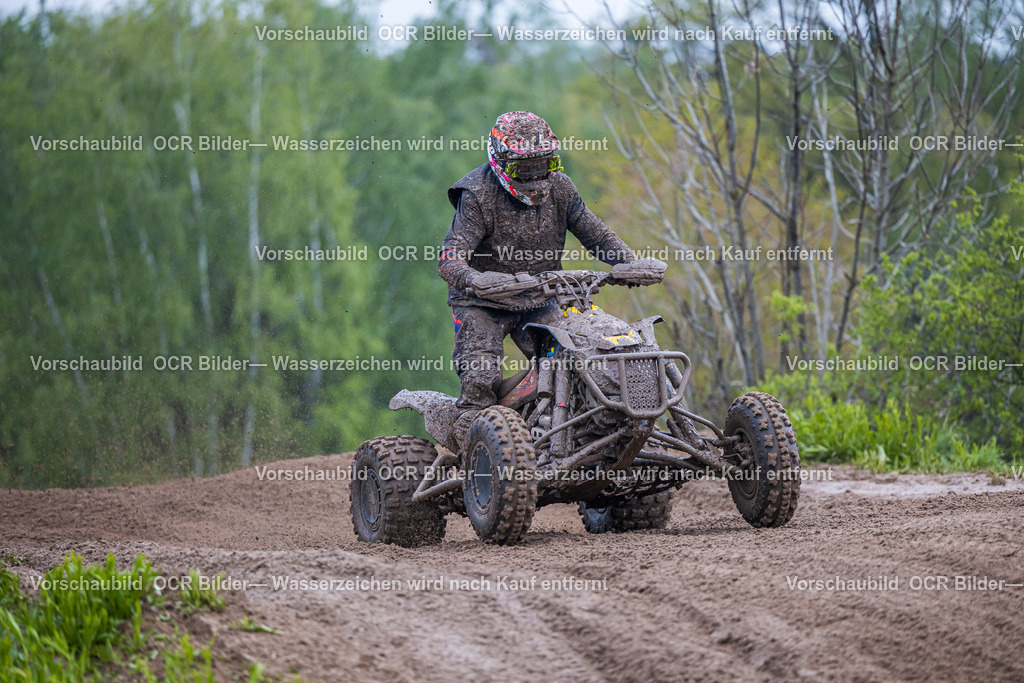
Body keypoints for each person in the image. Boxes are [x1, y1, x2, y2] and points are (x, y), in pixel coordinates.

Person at [437, 111, 655, 447]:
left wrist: (628, 263)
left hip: (539, 296)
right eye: (525, 169)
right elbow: (449, 257)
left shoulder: (562, 189)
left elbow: (595, 234)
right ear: (501, 163)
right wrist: (475, 280)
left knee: (581, 358)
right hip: (481, 302)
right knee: (481, 377)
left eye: (544, 165)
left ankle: (582, 434)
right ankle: (473, 450)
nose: (536, 176)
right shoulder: (478, 195)